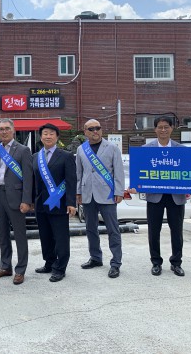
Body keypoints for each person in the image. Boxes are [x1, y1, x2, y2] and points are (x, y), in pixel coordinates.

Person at [140, 116, 191, 277]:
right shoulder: (146, 150)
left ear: (172, 128)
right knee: (154, 231)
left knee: (177, 231)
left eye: (166, 127)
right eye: (160, 127)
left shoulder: (182, 150)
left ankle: (176, 263)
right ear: (155, 129)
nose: (163, 130)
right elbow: (139, 173)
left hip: (176, 197)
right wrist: (135, 185)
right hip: (155, 197)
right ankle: (156, 262)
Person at [0, 118, 33, 285]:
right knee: (3, 234)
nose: (4, 131)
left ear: (13, 130)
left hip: (16, 198)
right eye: (1, 129)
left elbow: (28, 178)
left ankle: (20, 270)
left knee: (20, 235)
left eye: (7, 128)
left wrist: (26, 200)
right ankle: (5, 266)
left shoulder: (23, 150)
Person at [76, 119, 125, 279]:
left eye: (98, 128)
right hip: (87, 194)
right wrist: (78, 192)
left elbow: (118, 172)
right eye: (91, 129)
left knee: (113, 229)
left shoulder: (112, 148)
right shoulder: (81, 149)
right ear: (85, 132)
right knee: (90, 228)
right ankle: (95, 257)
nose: (95, 131)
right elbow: (79, 173)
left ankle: (116, 263)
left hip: (107, 194)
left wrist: (119, 191)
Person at [32, 123, 77, 283]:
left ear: (57, 137)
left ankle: (60, 268)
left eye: (51, 133)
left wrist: (71, 203)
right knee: (45, 236)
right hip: (41, 204)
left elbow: (71, 181)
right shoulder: (35, 157)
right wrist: (30, 200)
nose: (48, 136)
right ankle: (49, 263)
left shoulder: (66, 156)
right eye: (45, 133)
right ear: (41, 137)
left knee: (60, 237)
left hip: (59, 203)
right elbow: (33, 181)